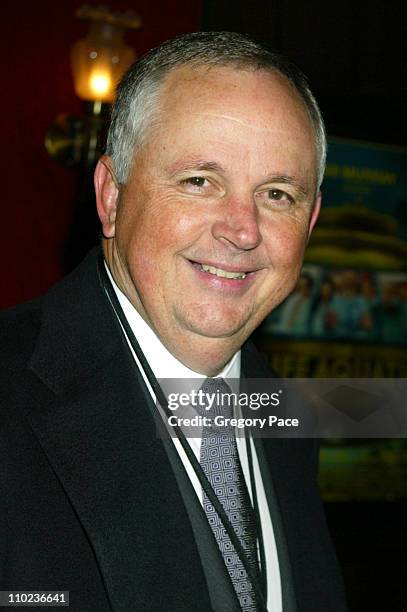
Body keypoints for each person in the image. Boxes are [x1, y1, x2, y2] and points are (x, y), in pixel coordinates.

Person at [0, 32, 347, 611]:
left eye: (277, 194)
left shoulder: (290, 416)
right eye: (199, 181)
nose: (243, 229)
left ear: (309, 223)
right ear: (112, 196)